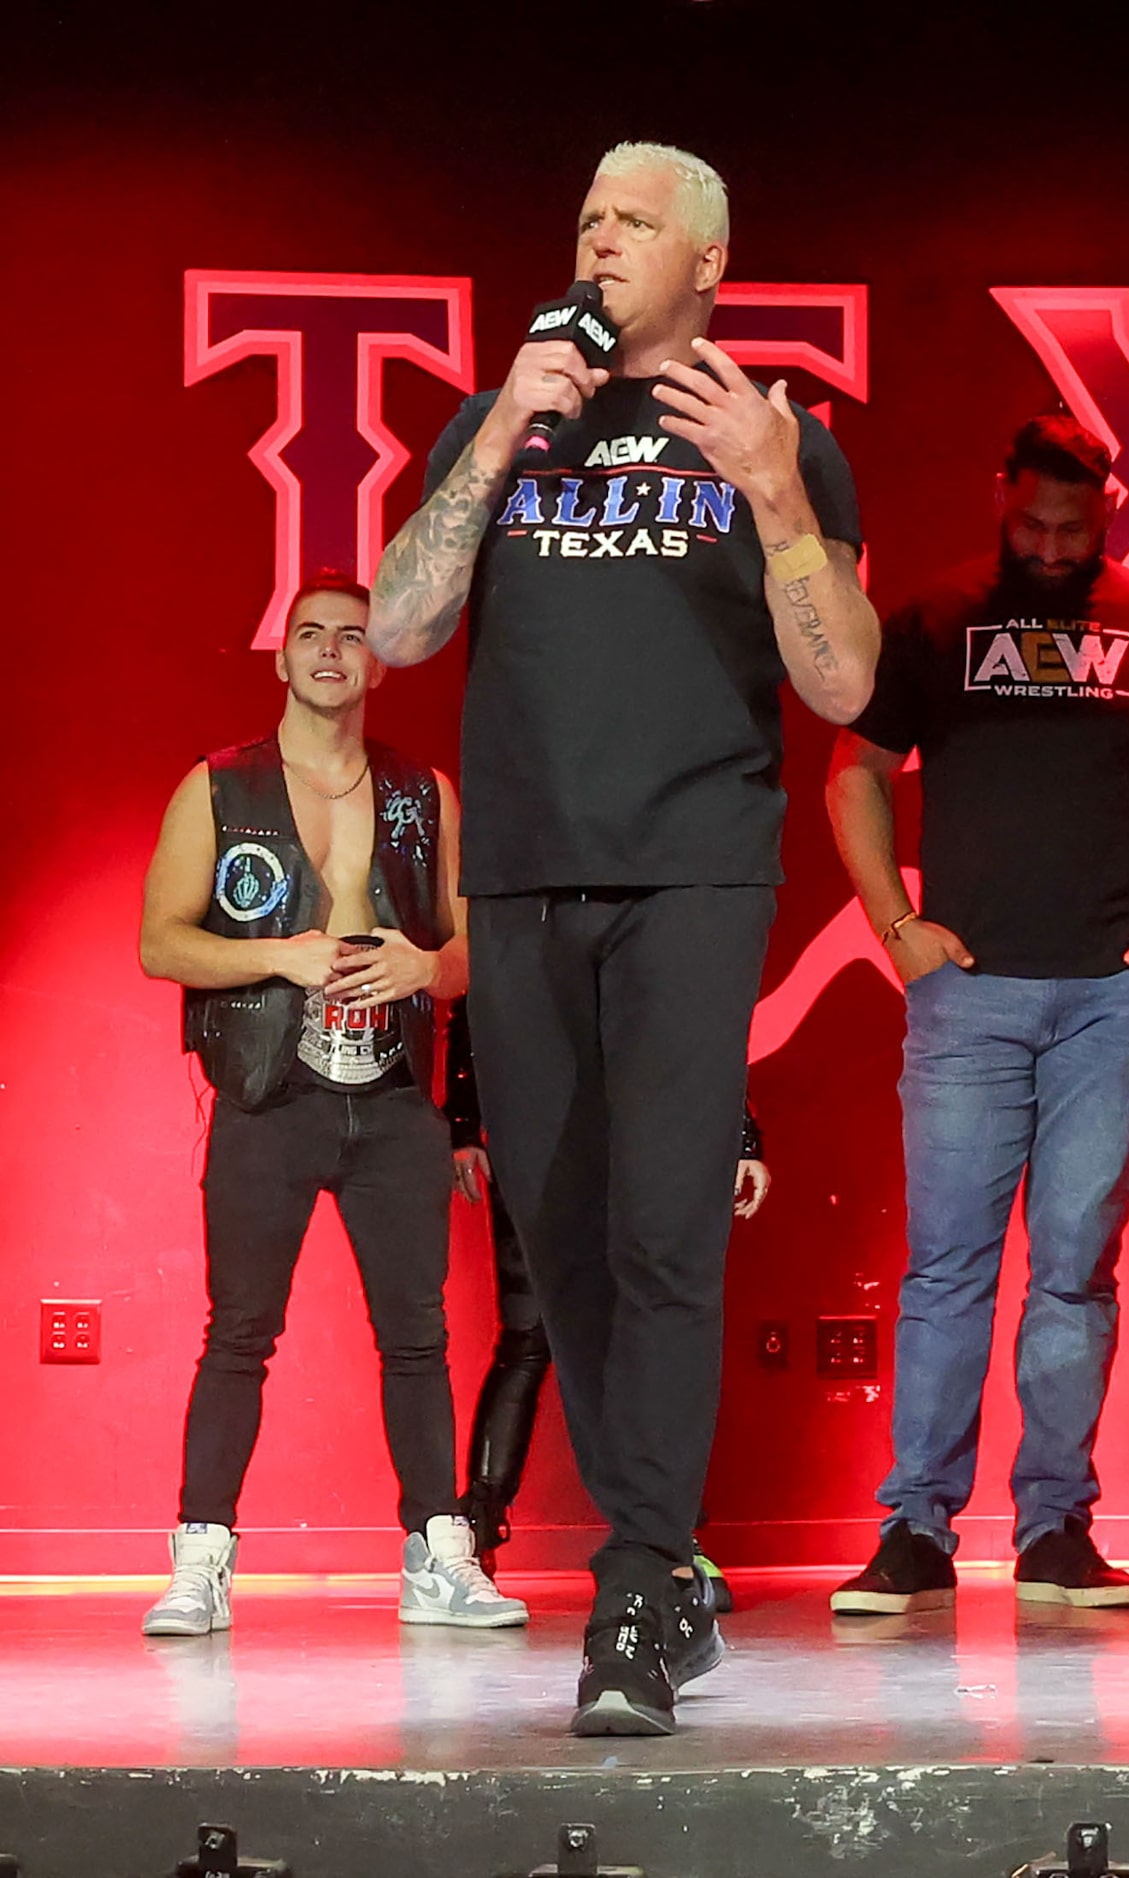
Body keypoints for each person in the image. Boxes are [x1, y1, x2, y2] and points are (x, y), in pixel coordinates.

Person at [371, 141, 878, 1735]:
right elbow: (393, 625)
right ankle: (666, 1570)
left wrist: (779, 493)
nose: (598, 240)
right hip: (520, 880)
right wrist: (492, 440)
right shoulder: (511, 415)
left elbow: (847, 684)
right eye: (585, 216)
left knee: (662, 1231)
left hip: (692, 874)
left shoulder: (768, 434)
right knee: (564, 1240)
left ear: (708, 259)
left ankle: (642, 1578)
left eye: (633, 220)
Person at [826, 416, 1129, 1616]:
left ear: (1106, 510)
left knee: (1073, 1270)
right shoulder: (932, 618)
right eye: (1032, 524)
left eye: (1075, 528)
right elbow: (852, 770)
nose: (1053, 546)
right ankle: (915, 1526)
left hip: (1108, 997)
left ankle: (1057, 1526)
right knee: (947, 1268)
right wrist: (894, 927)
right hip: (968, 991)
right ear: (999, 494)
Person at [136, 571, 523, 1637]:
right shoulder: (219, 787)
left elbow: (473, 947)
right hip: (269, 1094)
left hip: (392, 1097)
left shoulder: (420, 790)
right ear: (281, 656)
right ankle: (200, 1557)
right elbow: (159, 940)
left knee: (418, 1335)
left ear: (376, 660)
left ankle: (435, 1554)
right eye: (310, 634)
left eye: (350, 637)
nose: (328, 652)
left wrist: (424, 969)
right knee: (239, 1333)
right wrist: (284, 955)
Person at [445, 994, 770, 1612]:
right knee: (532, 1333)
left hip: (639, 1133)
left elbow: (700, 1023)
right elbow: (480, 994)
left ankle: (671, 1535)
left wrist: (743, 1135)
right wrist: (464, 1124)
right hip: (545, 1132)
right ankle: (477, 1529)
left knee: (645, 1326)